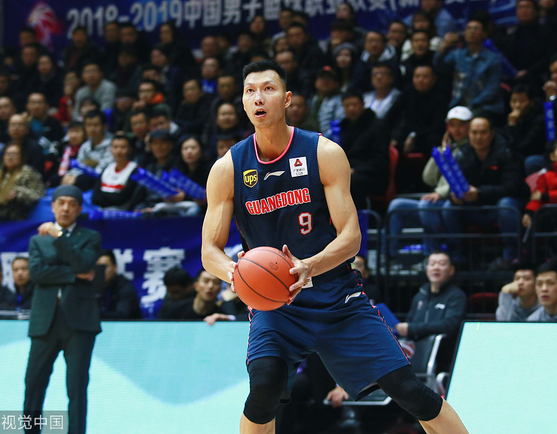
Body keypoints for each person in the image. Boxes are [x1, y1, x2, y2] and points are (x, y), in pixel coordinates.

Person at [201, 59, 469, 434]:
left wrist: (310, 265)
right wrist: (236, 272)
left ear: (287, 98)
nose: (258, 97)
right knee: (263, 390)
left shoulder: (323, 152)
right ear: (244, 104)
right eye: (250, 91)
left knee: (408, 391)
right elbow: (209, 251)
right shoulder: (227, 168)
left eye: (268, 88)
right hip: (277, 306)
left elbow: (351, 237)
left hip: (337, 298)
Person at [24, 185, 102, 434]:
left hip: (79, 322)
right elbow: (37, 274)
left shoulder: (90, 237)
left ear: (79, 208)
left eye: (71, 204)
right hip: (44, 320)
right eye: (61, 203)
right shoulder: (37, 239)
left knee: (77, 387)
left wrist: (58, 236)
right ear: (53, 206)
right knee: (34, 383)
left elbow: (84, 262)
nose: (66, 208)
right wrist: (76, 274)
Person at [436, 117, 529, 268]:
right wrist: (456, 197)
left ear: (492, 134)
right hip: (476, 206)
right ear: (469, 134)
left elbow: (512, 187)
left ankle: (512, 255)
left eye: (483, 132)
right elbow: (457, 183)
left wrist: (479, 192)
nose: (478, 137)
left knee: (506, 205)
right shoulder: (463, 154)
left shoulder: (507, 152)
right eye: (474, 133)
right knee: (449, 207)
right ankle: (457, 257)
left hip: (503, 206)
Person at [385, 106, 471, 261]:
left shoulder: (472, 149)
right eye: (453, 125)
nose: (457, 129)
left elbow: (465, 178)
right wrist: (441, 152)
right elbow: (428, 178)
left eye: (461, 125)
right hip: (439, 200)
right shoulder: (448, 149)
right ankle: (392, 255)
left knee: (426, 205)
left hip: (454, 201)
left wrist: (441, 193)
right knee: (396, 206)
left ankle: (431, 255)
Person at [395, 251, 467, 341]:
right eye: (432, 264)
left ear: (451, 270)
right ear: (427, 269)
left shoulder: (456, 296)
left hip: (442, 348)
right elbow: (410, 320)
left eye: (441, 264)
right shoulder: (420, 295)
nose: (436, 268)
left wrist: (412, 329)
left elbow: (450, 325)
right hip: (416, 348)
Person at [339, 89, 389, 209]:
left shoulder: (377, 126)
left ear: (362, 105)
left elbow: (380, 161)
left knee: (350, 181)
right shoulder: (343, 126)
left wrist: (356, 170)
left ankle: (357, 220)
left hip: (372, 176)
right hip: (348, 171)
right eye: (347, 105)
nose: (351, 108)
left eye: (355, 104)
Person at [0, 143, 44, 220]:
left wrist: (18, 194)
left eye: (14, 154)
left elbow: (39, 195)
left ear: (21, 157)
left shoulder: (29, 174)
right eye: (8, 154)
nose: (10, 157)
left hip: (13, 214)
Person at [501, 83, 547, 175]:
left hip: (533, 156)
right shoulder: (511, 118)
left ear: (531, 102)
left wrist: (513, 125)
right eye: (514, 101)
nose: (517, 105)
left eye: (522, 101)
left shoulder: (539, 120)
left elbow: (523, 147)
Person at [91, 134, 138, 210]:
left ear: (130, 149)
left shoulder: (135, 170)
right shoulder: (106, 169)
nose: (118, 151)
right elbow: (95, 198)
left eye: (123, 147)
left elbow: (123, 199)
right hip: (101, 210)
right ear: (111, 149)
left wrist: (104, 197)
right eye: (115, 147)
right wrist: (114, 196)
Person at [96, 250, 142, 319]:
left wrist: (92, 315)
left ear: (115, 267)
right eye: (98, 267)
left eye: (105, 267)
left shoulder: (125, 287)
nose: (101, 271)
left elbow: (122, 315)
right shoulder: (91, 286)